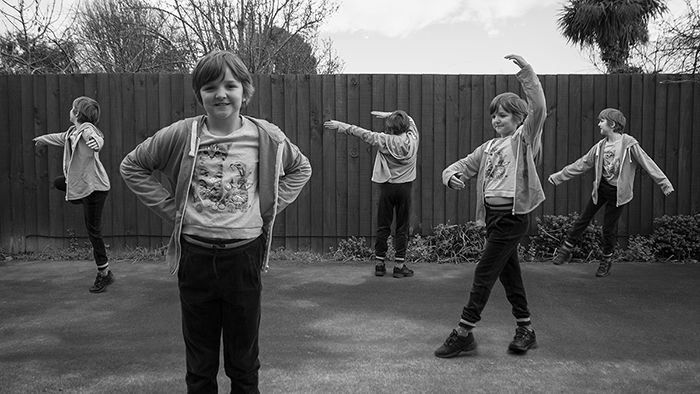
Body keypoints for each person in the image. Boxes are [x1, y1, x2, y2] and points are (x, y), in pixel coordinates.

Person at [120, 49, 311, 393]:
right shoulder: (181, 134)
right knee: (200, 363)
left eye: (230, 85)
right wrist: (172, 210)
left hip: (243, 257)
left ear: (245, 91)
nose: (220, 94)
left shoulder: (268, 137)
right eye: (209, 87)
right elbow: (132, 166)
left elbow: (301, 168)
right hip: (196, 258)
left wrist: (265, 207)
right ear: (199, 95)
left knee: (244, 361)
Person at [434, 54, 546, 358]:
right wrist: (451, 176)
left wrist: (526, 73)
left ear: (519, 120)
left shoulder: (524, 139)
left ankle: (463, 332)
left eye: (504, 116)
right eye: (494, 115)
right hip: (493, 219)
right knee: (510, 276)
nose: (497, 120)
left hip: (513, 217)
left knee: (484, 271)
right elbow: (461, 165)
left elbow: (539, 108)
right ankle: (526, 329)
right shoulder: (488, 147)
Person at [548, 108, 673, 277]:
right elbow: (582, 163)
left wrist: (664, 183)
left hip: (618, 193)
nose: (598, 123)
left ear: (612, 124)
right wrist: (559, 176)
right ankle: (566, 249)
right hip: (601, 189)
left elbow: (647, 162)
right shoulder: (600, 146)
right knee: (582, 219)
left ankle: (606, 260)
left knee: (608, 229)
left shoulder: (629, 144)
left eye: (601, 121)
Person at [324, 110, 419, 278]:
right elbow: (410, 121)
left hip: (387, 187)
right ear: (405, 126)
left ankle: (380, 265)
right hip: (405, 189)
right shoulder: (413, 139)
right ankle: (399, 266)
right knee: (402, 227)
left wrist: (341, 126)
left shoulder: (383, 140)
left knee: (383, 226)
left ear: (390, 128)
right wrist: (393, 114)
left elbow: (362, 133)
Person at [33, 96, 112, 293]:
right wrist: (42, 139)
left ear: (77, 114)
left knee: (93, 231)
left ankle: (104, 274)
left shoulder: (86, 129)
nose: (70, 110)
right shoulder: (72, 132)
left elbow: (97, 138)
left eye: (72, 108)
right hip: (85, 186)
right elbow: (59, 137)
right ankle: (78, 196)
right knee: (59, 182)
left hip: (96, 189)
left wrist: (96, 143)